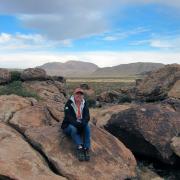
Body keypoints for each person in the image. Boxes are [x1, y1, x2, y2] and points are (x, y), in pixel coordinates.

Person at [61, 87, 91, 161]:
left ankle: (86, 148)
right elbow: (68, 117)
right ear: (74, 94)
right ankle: (80, 147)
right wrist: (77, 124)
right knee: (73, 129)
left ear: (83, 96)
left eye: (81, 94)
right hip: (69, 125)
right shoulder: (69, 104)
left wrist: (83, 123)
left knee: (87, 127)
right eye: (77, 93)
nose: (79, 95)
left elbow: (87, 115)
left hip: (80, 124)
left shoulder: (84, 103)